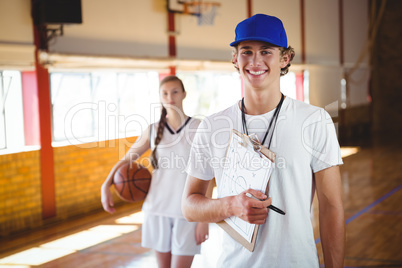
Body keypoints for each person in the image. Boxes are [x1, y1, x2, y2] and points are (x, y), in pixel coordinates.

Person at [182, 14, 345, 267]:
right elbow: (190, 206)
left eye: (266, 51)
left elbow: (332, 206)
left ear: (285, 59)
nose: (255, 61)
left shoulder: (314, 120)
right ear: (235, 58)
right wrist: (231, 206)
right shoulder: (213, 126)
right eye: (246, 51)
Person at [101, 75, 209, 268]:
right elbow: (127, 159)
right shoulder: (152, 130)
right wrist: (106, 184)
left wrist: (204, 218)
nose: (170, 97)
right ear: (160, 97)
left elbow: (208, 174)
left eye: (175, 91)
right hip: (157, 209)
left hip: (188, 211)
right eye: (165, 93)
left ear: (184, 94)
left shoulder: (198, 127)